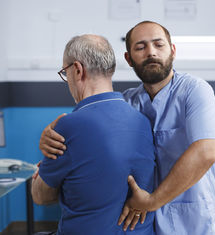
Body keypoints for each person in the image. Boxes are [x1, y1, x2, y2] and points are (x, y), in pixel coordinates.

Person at [38, 21, 215, 235]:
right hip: (147, 223)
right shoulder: (130, 101)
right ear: (128, 59)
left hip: (191, 221)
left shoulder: (195, 90)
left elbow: (207, 151)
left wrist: (153, 201)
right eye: (140, 47)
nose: (151, 52)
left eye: (159, 45)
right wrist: (50, 135)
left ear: (172, 51)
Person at [31, 34, 156, 235]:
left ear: (78, 70)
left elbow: (41, 197)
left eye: (65, 72)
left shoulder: (68, 126)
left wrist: (41, 173)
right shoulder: (143, 121)